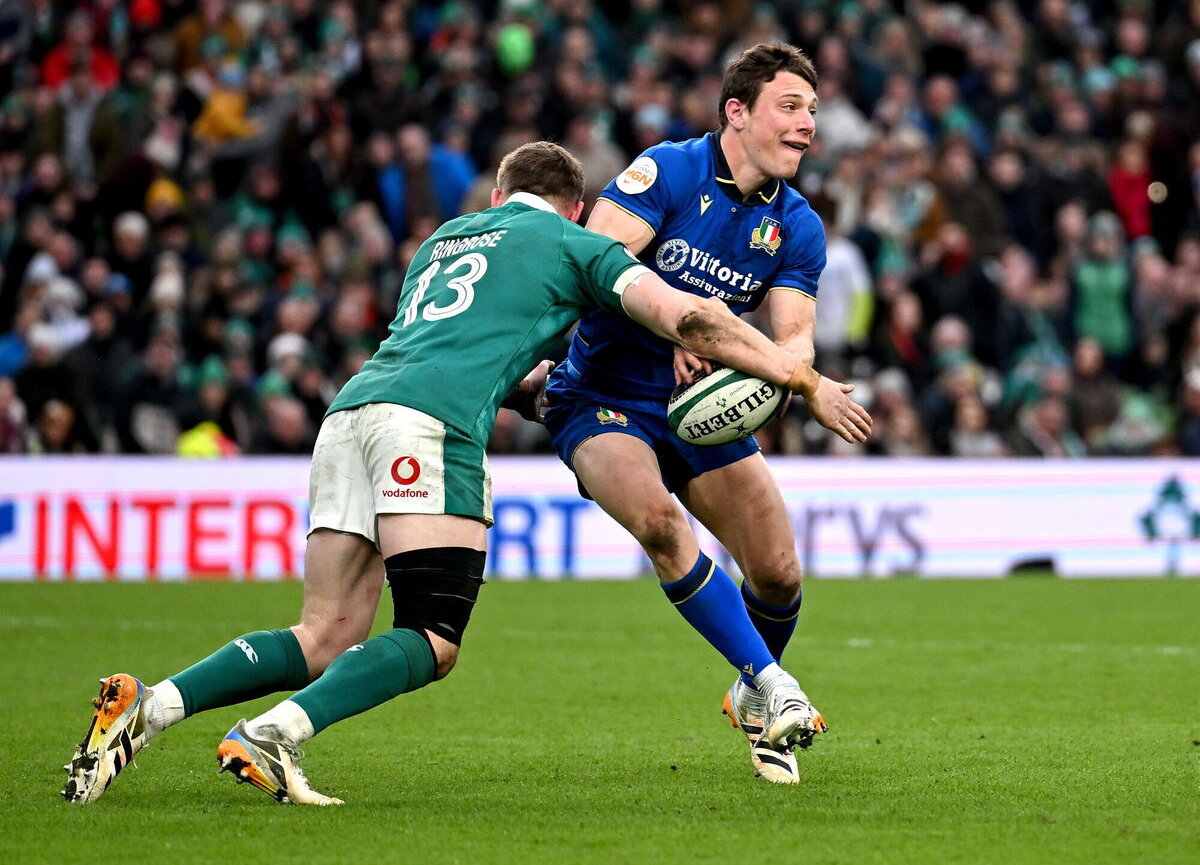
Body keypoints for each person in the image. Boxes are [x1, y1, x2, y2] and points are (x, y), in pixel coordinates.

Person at [62, 141, 870, 806]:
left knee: (324, 633)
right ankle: (275, 735)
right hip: (432, 429)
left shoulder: (441, 241)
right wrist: (802, 381)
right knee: (433, 638)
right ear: (578, 209)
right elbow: (687, 317)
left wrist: (542, 397)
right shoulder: (573, 244)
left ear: (496, 194)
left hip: (352, 415)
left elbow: (476, 352)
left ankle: (151, 703)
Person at [542, 42, 835, 784]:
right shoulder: (669, 170)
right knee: (662, 525)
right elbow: (595, 260)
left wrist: (775, 366)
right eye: (791, 108)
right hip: (603, 396)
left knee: (778, 574)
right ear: (737, 112)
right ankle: (775, 685)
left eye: (812, 112)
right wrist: (678, 321)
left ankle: (748, 696)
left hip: (698, 409)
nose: (807, 126)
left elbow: (793, 333)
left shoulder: (797, 225)